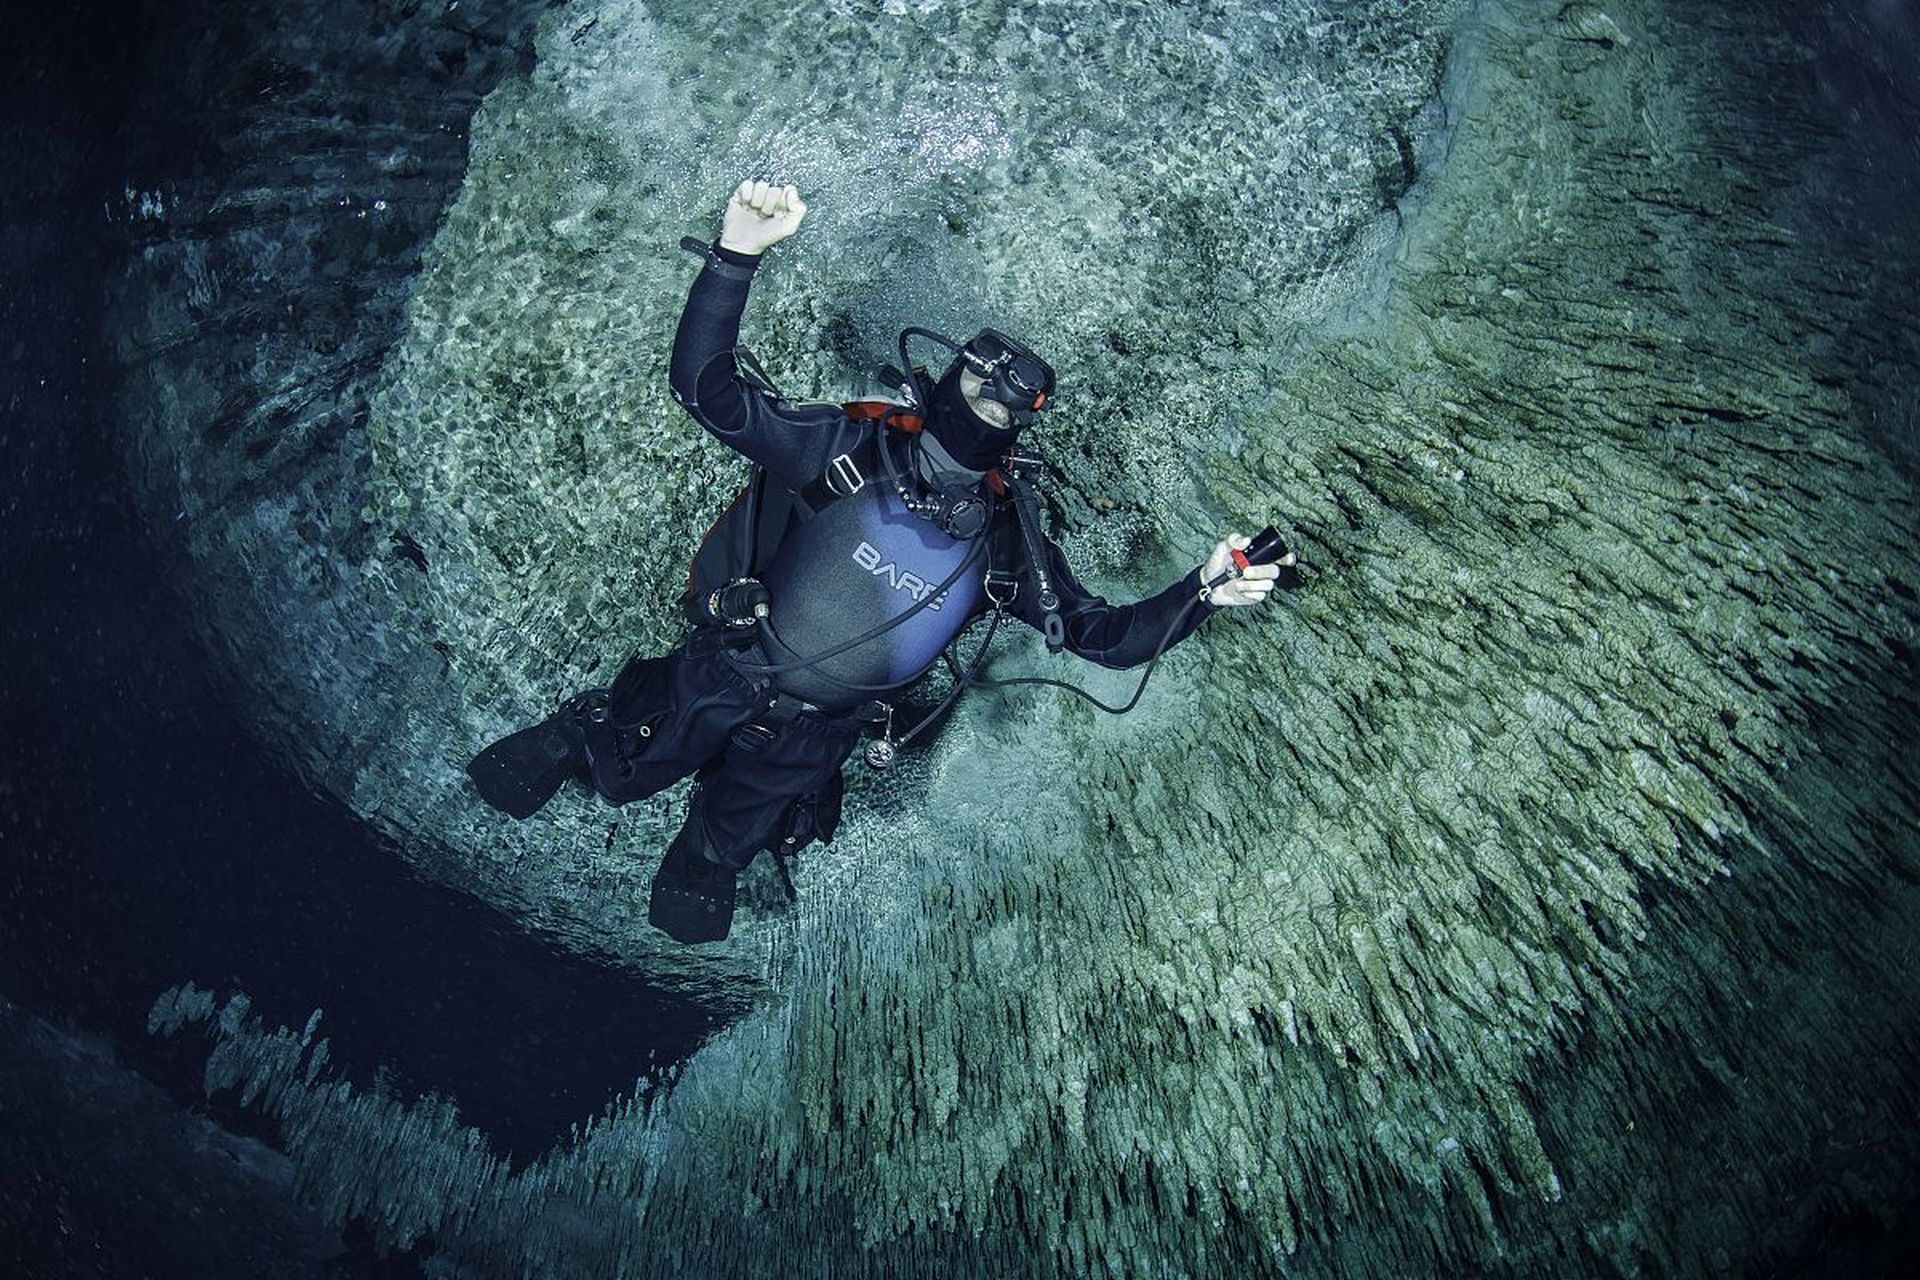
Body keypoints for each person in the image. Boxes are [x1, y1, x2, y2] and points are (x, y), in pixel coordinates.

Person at [468, 179, 1293, 944]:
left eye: (1008, 404)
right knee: (624, 768)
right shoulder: (848, 452)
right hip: (728, 667)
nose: (987, 409)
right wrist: (737, 252)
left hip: (814, 740)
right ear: (941, 379)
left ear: (1024, 425)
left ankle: (709, 850)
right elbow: (706, 390)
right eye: (978, 386)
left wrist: (1203, 591)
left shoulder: (1003, 539)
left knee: (728, 841)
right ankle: (582, 734)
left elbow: (1104, 638)